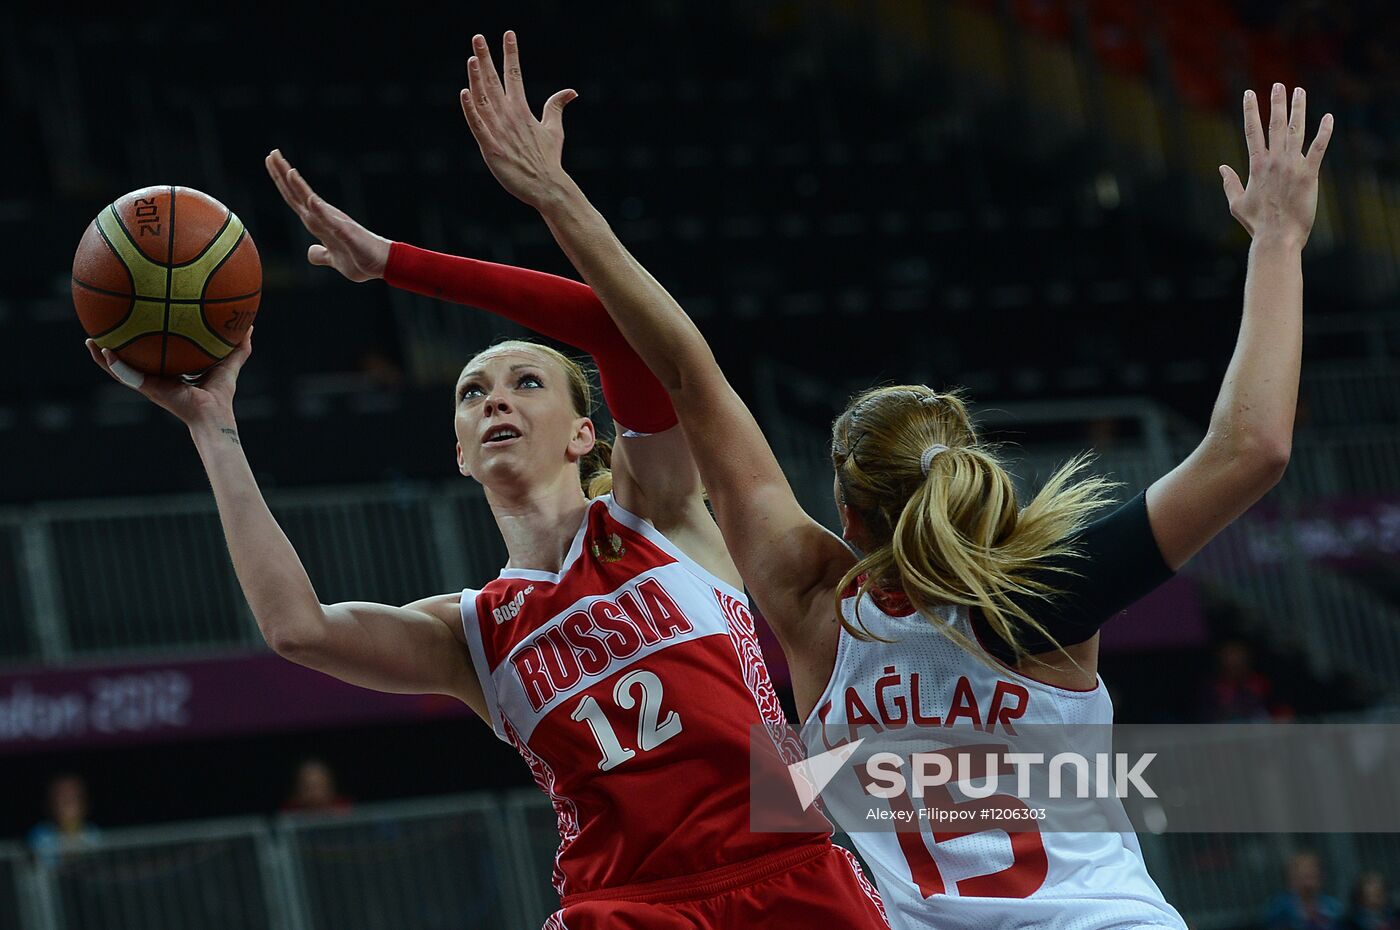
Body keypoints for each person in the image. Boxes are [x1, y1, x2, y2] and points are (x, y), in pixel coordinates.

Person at [451, 33, 1332, 930]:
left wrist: (556, 196)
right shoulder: (1040, 597)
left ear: (844, 508)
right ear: (970, 478)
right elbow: (1252, 446)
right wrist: (1278, 241)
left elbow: (685, 371)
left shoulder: (810, 604)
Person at [86, 129, 889, 930]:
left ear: (585, 434)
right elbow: (296, 628)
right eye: (473, 393)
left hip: (784, 868)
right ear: (461, 453)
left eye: (526, 382)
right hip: (622, 905)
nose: (495, 400)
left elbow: (616, 327)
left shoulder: (660, 513)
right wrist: (212, 426)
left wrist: (396, 262)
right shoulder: (471, 632)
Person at [28, 773, 101, 867]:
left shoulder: (92, 832)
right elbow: (44, 867)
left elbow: (97, 863)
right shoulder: (40, 835)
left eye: (74, 797)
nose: (69, 802)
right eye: (63, 797)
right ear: (51, 803)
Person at [1266, 850, 1343, 930]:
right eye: (1304, 876)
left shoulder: (1333, 907)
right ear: (1292, 878)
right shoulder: (1280, 910)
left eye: (1313, 876)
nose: (1309, 883)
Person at [281, 757, 352, 815]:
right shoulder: (290, 813)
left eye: (319, 786)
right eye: (307, 788)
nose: (314, 794)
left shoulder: (343, 810)